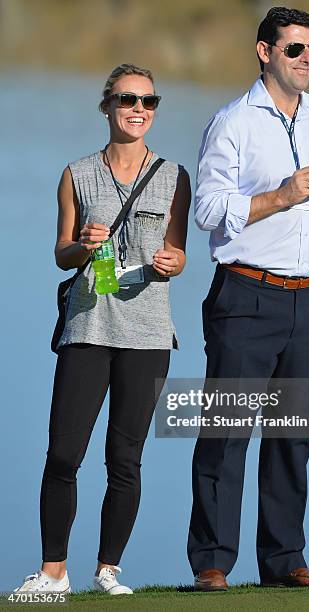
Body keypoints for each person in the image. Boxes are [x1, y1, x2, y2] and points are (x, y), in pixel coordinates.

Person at [188, 7, 309, 590]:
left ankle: (285, 561)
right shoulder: (232, 123)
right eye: (294, 49)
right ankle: (212, 563)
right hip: (247, 294)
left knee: (292, 435)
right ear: (265, 52)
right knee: (226, 433)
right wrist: (278, 197)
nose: (307, 59)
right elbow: (207, 211)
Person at [15, 63, 191, 595]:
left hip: (149, 334)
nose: (139, 110)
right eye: (127, 100)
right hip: (88, 326)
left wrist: (173, 261)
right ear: (107, 106)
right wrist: (84, 248)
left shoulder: (174, 175)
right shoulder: (77, 173)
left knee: (125, 459)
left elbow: (180, 252)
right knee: (64, 454)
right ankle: (53, 573)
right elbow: (60, 253)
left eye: (148, 102)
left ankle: (108, 570)